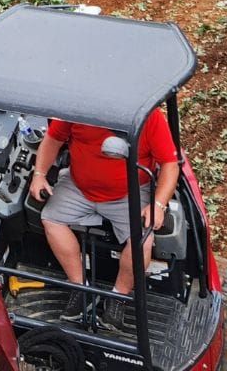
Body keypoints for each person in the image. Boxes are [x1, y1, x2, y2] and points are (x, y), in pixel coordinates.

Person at [29, 108, 181, 324]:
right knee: (50, 218)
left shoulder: (151, 117)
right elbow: (53, 138)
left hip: (130, 193)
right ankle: (80, 286)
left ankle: (118, 296)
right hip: (78, 186)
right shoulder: (78, 106)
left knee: (143, 241)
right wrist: (39, 175)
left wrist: (158, 204)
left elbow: (169, 164)